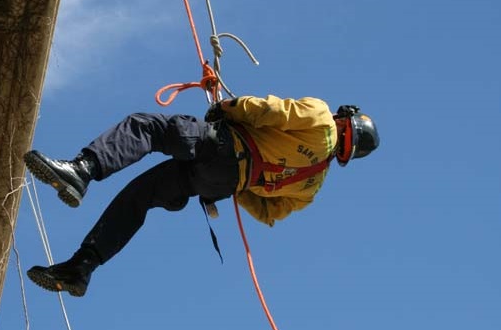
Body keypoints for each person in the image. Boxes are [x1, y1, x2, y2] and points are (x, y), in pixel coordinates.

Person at [24, 94, 380, 297]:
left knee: (147, 127)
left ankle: (82, 170)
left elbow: (269, 111)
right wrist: (242, 186)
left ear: (345, 121)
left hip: (223, 147)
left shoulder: (320, 117)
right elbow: (270, 213)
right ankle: (82, 267)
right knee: (140, 197)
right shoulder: (312, 187)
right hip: (219, 185)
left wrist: (227, 107)